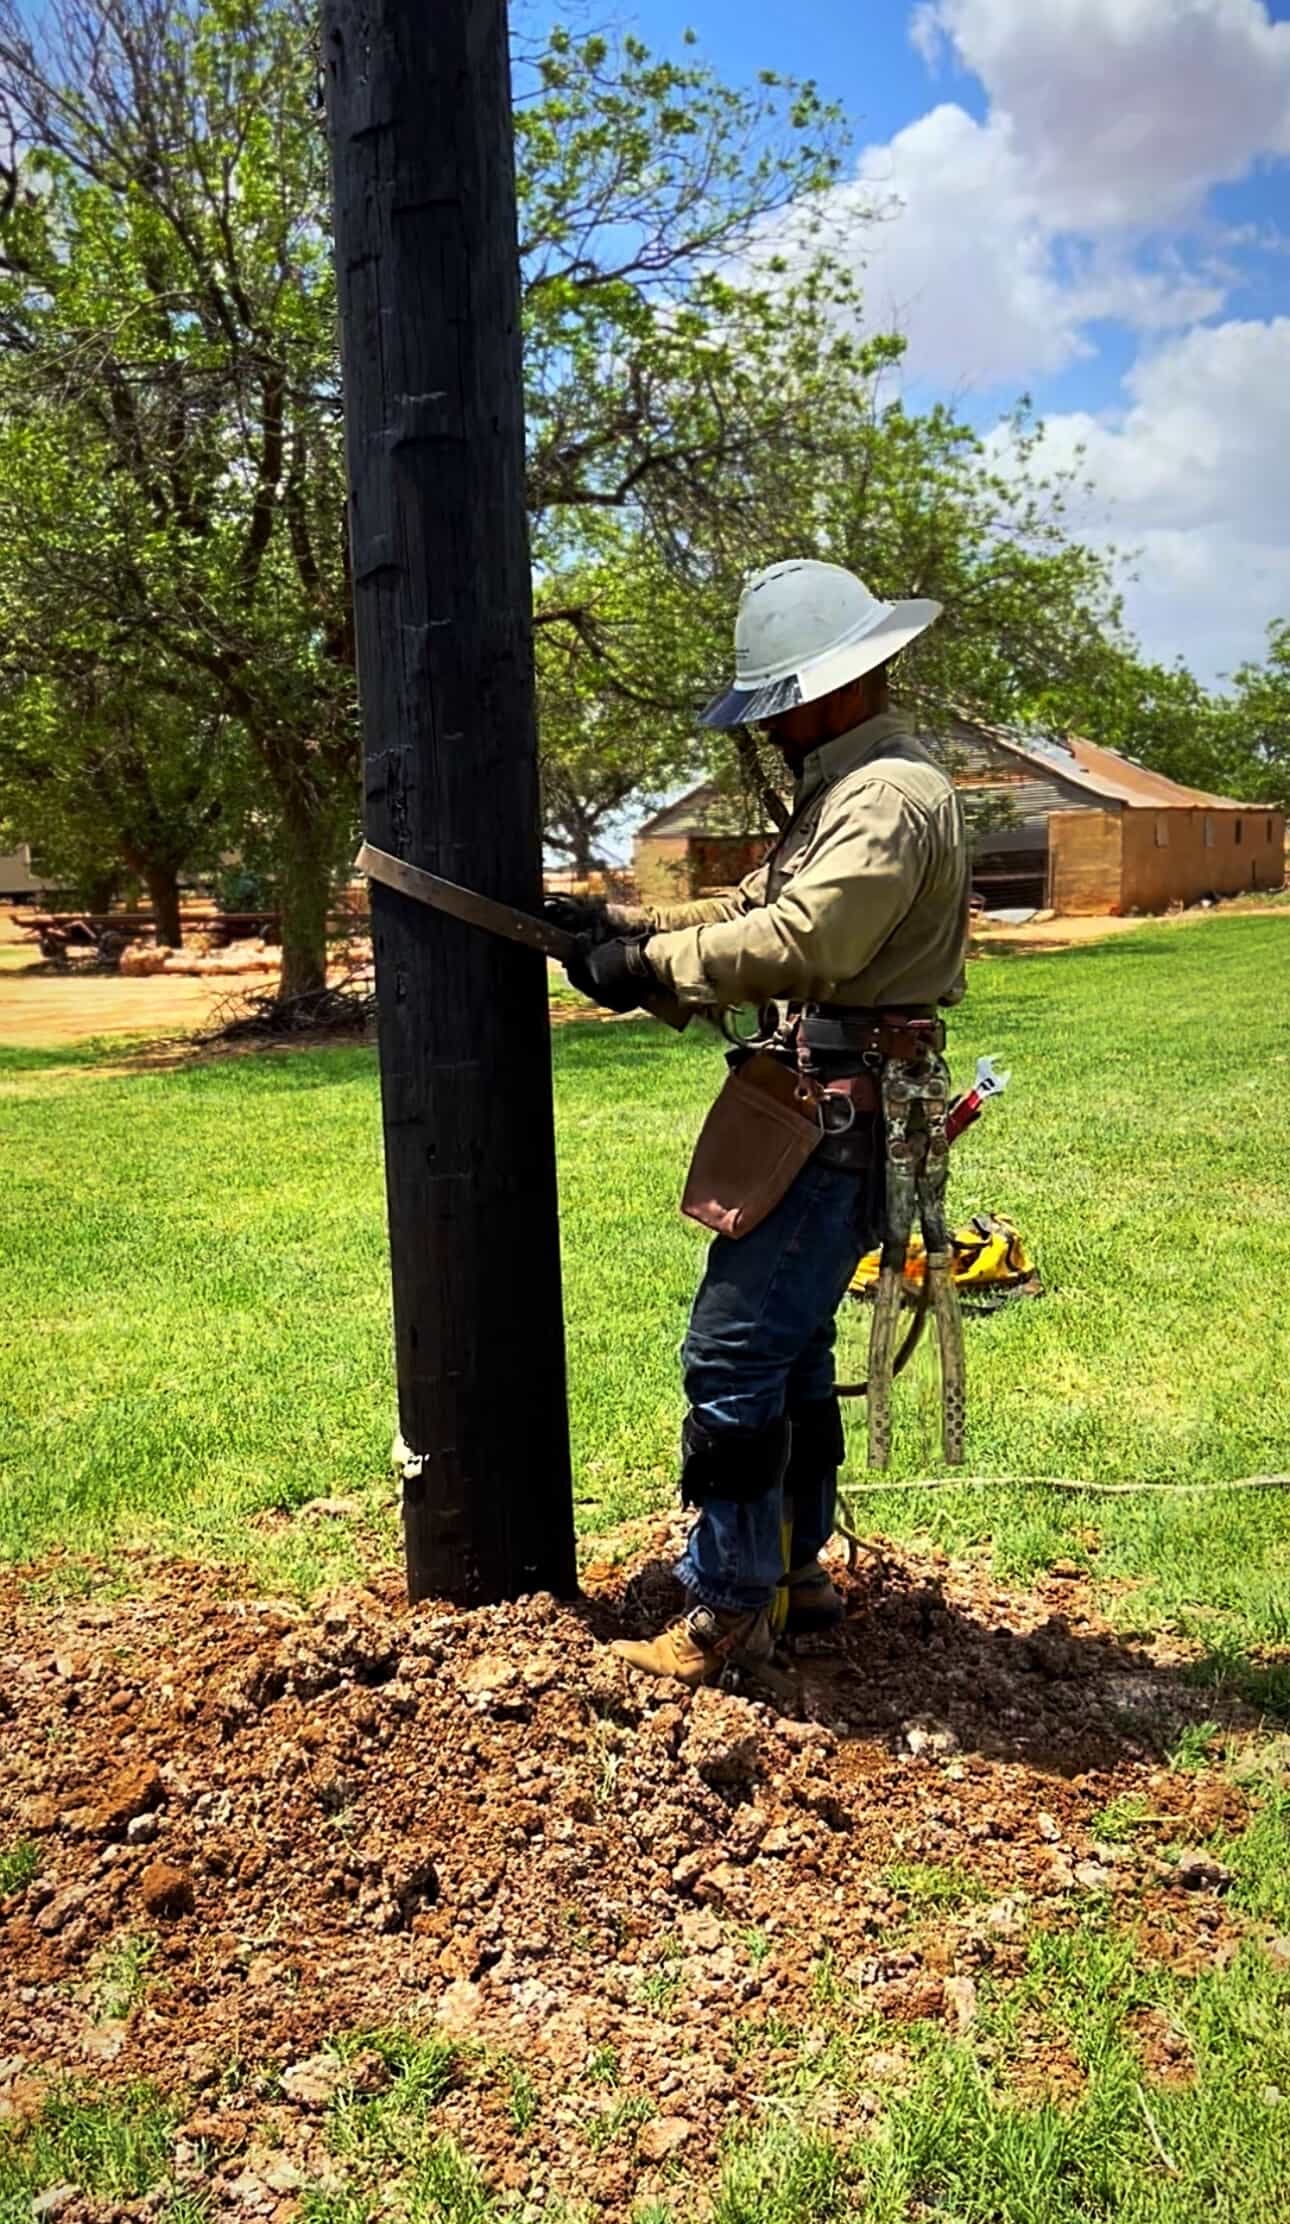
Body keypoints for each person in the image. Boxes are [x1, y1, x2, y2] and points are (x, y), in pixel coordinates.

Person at [550, 560, 969, 1688]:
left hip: (840, 1118)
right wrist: (623, 927)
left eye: (781, 701)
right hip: (834, 1109)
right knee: (785, 1352)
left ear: (835, 685)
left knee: (731, 1352)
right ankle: (794, 1573)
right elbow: (754, 911)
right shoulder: (854, 787)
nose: (773, 724)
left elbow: (806, 943)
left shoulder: (883, 794)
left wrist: (643, 963)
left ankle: (730, 1613)